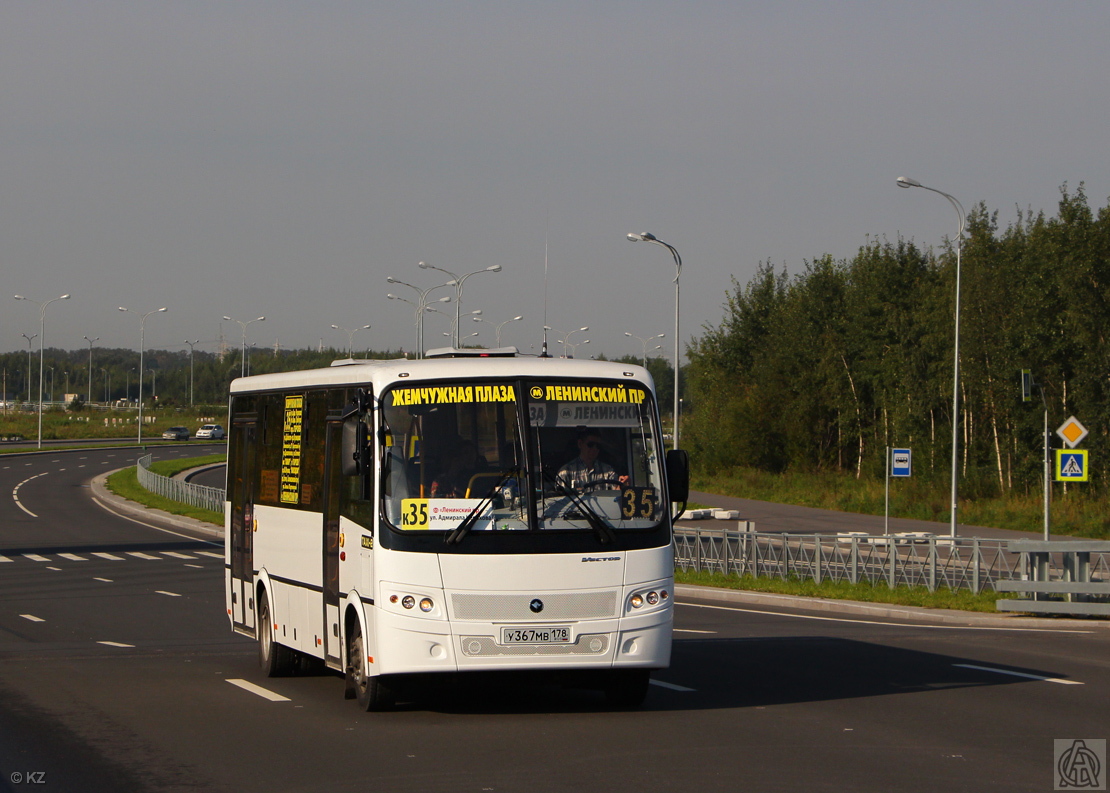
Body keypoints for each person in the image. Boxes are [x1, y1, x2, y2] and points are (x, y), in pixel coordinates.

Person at [556, 430, 628, 493]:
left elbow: (616, 496)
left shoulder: (608, 471)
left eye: (598, 446)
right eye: (590, 444)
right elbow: (560, 502)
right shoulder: (565, 472)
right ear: (580, 444)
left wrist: (622, 485)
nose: (594, 448)